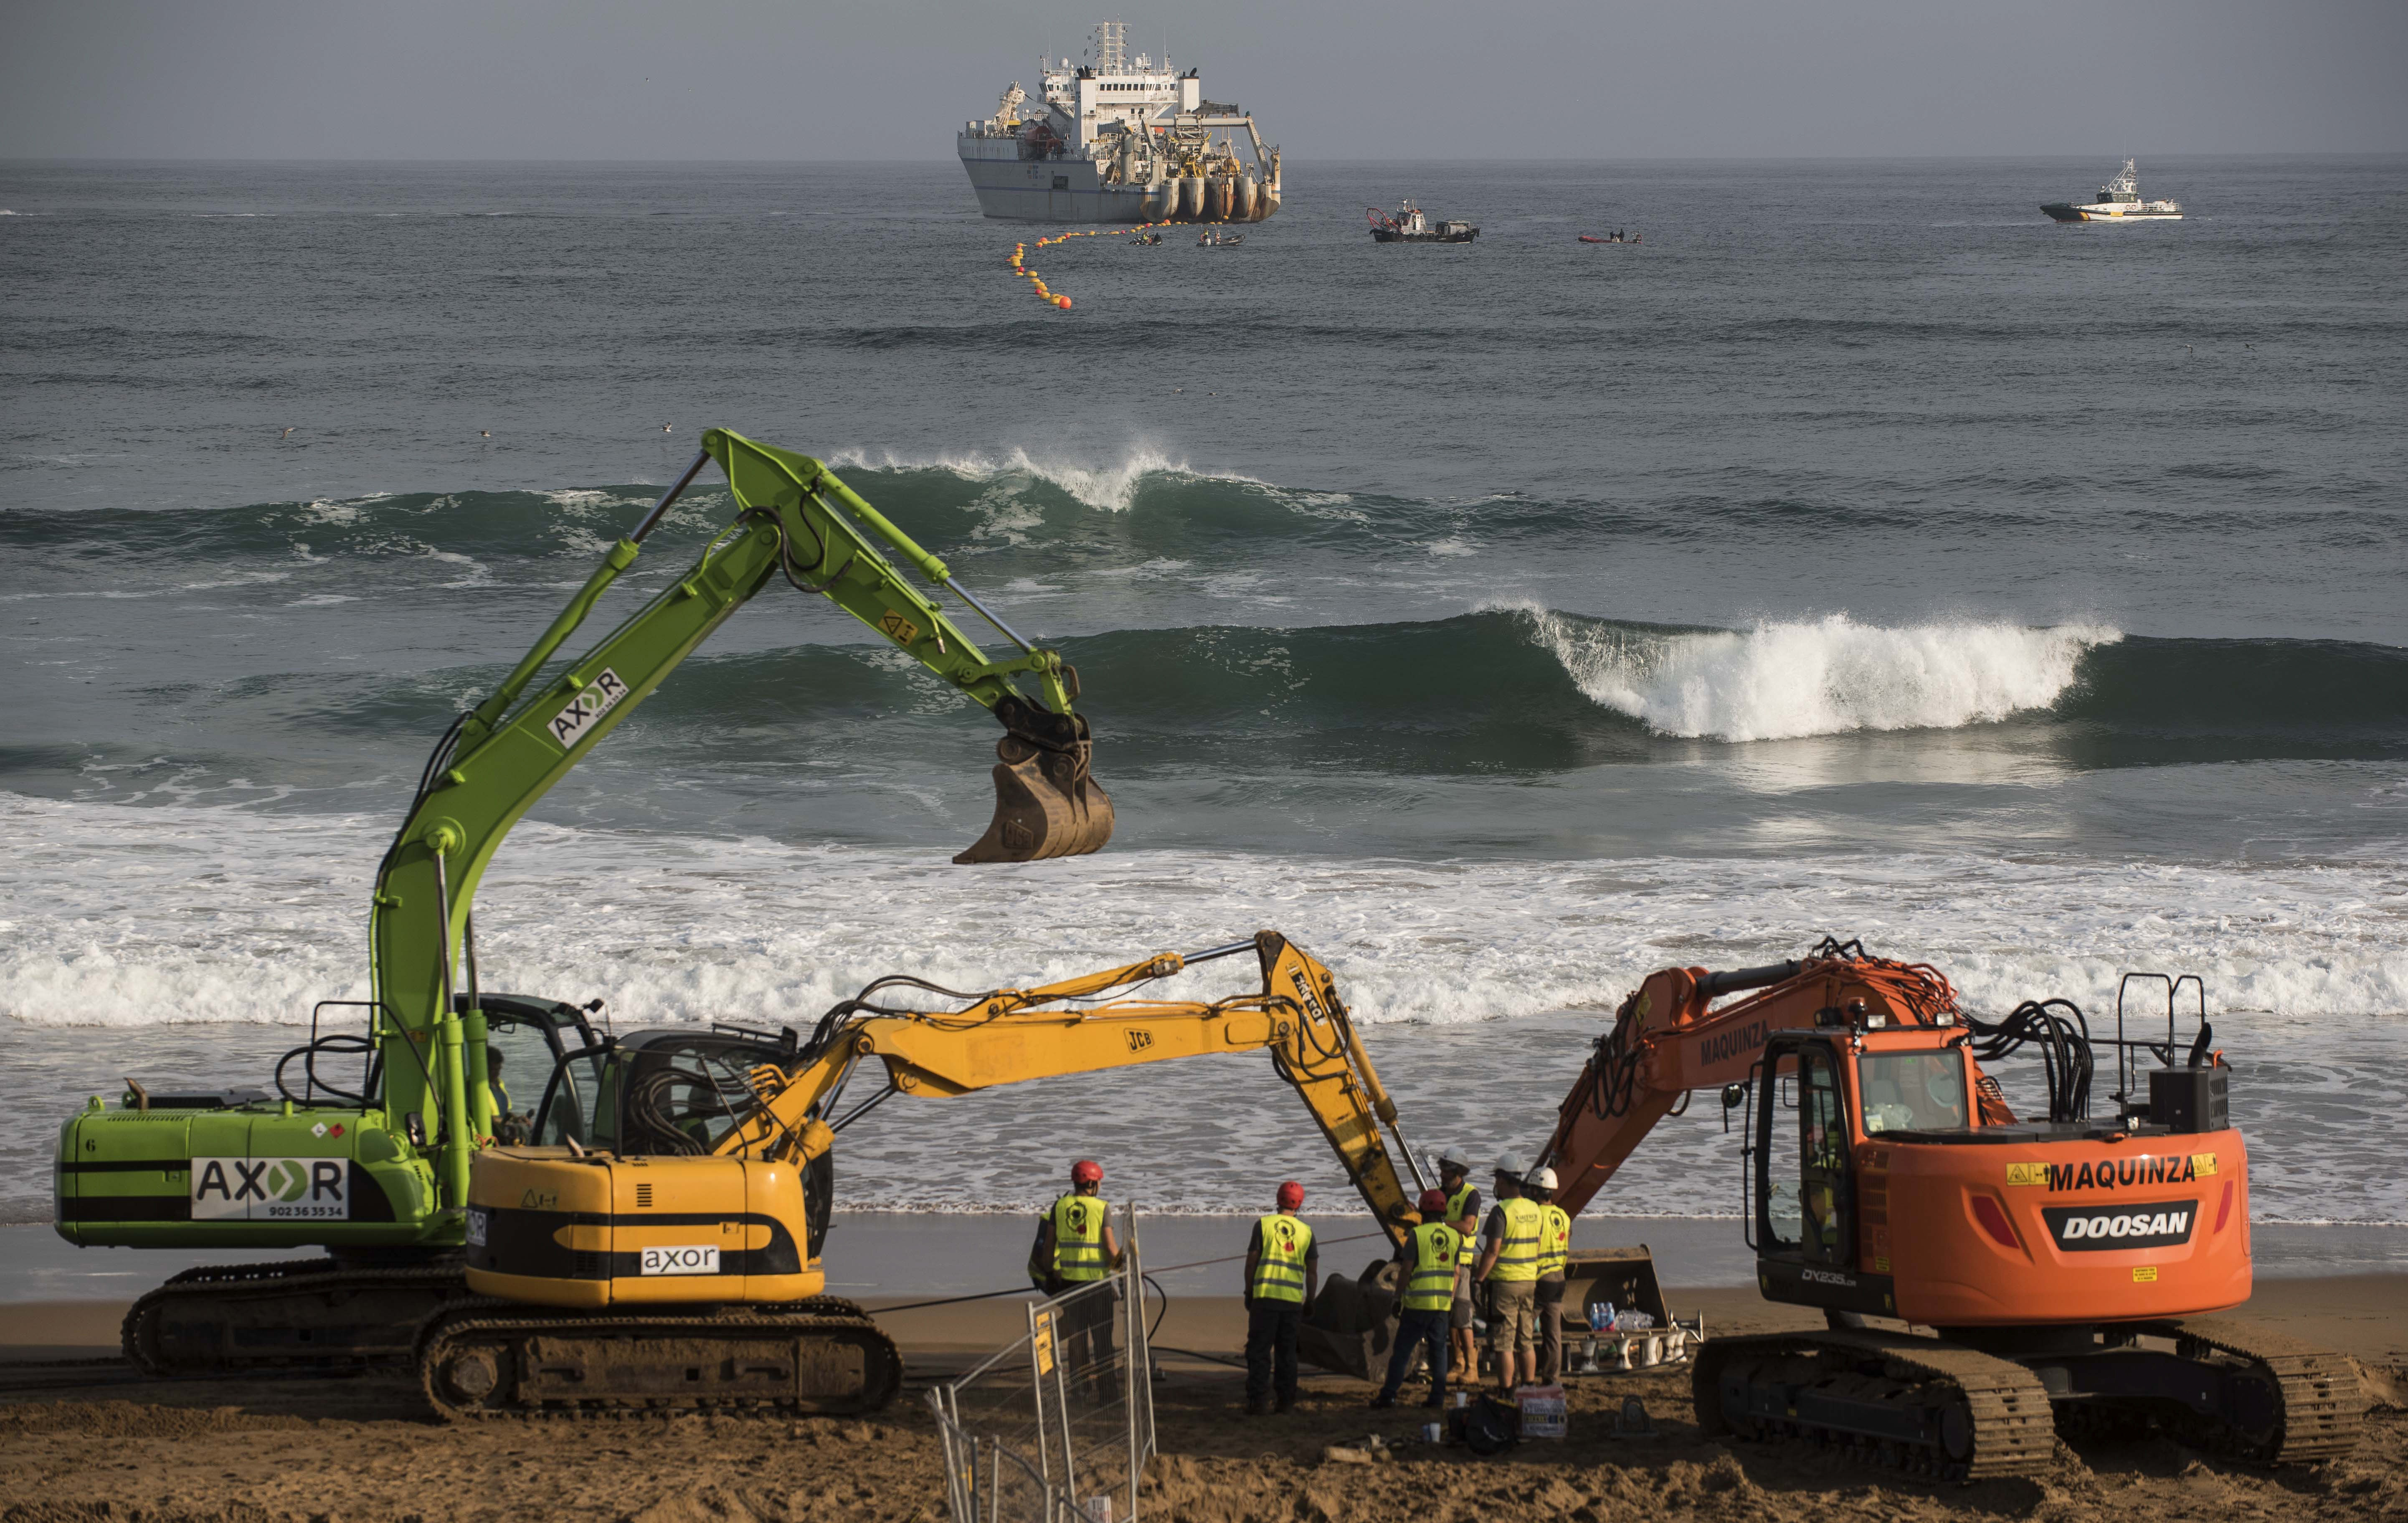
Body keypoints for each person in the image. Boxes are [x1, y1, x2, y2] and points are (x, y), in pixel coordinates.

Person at [1031, 1159, 1123, 1396]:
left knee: (1077, 1338)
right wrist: (1127, 1269)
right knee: (1103, 1339)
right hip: (1098, 1285)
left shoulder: (1059, 1207)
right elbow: (1111, 1248)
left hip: (1070, 1285)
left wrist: (1051, 1275)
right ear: (1092, 1183)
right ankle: (1107, 1393)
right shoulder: (1101, 1208)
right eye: (1099, 1181)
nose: (1100, 1185)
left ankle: (1080, 1389)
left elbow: (1049, 1250)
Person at [1371, 1188, 1460, 1409]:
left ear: (1421, 1210)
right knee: (1439, 1352)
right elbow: (1456, 1273)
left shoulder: (1417, 1236)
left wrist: (1398, 1298)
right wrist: (1450, 1297)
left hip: (1418, 1305)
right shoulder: (1454, 1237)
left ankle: (1390, 1395)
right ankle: (1437, 1398)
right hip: (1441, 1305)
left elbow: (1407, 1271)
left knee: (1402, 1351)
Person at [1241, 1180, 1319, 1415]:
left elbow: (1252, 1262)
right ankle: (1285, 1403)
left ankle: (1258, 1402)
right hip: (1292, 1302)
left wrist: (1249, 1291)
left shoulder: (1263, 1225)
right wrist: (1311, 1301)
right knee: (1287, 1355)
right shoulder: (1306, 1232)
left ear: (1278, 1199)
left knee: (1259, 1352)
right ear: (1300, 1204)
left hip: (1265, 1299)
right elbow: (1313, 1273)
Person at [1471, 1151, 1541, 1394]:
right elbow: (1538, 1245)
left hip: (1506, 1284)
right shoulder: (1534, 1209)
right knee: (1526, 1340)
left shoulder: (1501, 1212)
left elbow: (1492, 1251)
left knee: (1504, 1343)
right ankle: (1530, 1386)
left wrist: (1479, 1279)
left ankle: (1507, 1390)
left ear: (1501, 1180)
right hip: (1530, 1281)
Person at [1434, 1148, 1482, 1386]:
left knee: (1463, 1316)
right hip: (1442, 1263)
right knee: (1451, 1316)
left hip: (1462, 1265)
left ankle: (1472, 1369)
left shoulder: (1471, 1195)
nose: (1443, 1173)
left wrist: (1441, 1221)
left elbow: (1467, 1227)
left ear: (1459, 1172)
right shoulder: (1440, 1193)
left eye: (1448, 1169)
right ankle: (1459, 1363)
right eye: (1442, 1168)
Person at [1527, 1166, 1572, 1384]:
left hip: (1540, 1279)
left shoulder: (1536, 1215)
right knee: (1553, 1335)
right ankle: (1551, 1377)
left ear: (1536, 1191)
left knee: (1523, 1330)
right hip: (1559, 1279)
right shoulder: (1563, 1216)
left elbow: (1532, 1246)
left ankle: (1524, 1374)